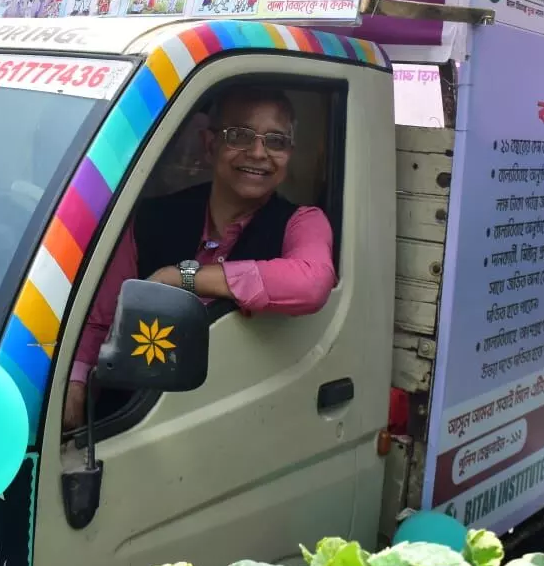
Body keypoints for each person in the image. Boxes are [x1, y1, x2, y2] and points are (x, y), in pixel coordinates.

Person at [63, 87, 338, 430]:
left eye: (276, 141)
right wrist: (76, 382)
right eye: (239, 135)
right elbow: (101, 319)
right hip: (132, 419)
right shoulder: (152, 217)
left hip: (232, 420)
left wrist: (181, 277)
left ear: (289, 153)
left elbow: (311, 283)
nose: (258, 153)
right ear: (210, 145)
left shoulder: (302, 222)